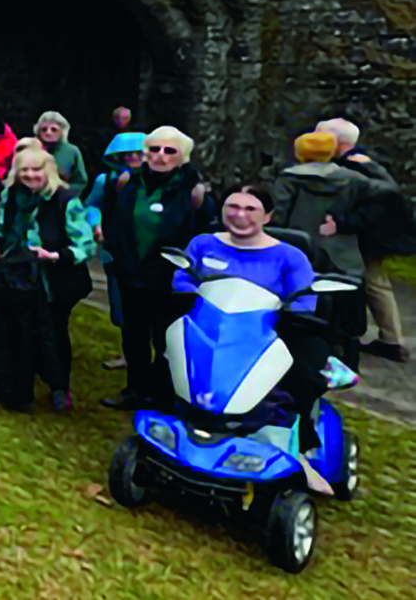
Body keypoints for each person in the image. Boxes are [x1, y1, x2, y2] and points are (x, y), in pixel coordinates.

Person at [173, 185, 341, 494]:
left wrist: (287, 313)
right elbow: (184, 275)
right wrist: (187, 291)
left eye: (250, 209)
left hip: (273, 328)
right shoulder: (203, 243)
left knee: (301, 377)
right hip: (214, 324)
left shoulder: (290, 256)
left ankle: (298, 449)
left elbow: (304, 299)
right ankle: (181, 426)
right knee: (176, 358)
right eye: (232, 206)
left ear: (267, 215)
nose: (239, 215)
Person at [97, 127, 216, 410]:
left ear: (182, 156)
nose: (160, 156)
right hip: (130, 273)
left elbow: (203, 235)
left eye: (169, 151)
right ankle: (135, 390)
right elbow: (113, 219)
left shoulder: (194, 191)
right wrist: (117, 253)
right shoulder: (127, 181)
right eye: (154, 149)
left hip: (169, 280)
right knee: (134, 336)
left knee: (167, 340)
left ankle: (162, 395)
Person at [0, 148, 95, 414]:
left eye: (36, 170)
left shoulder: (66, 200)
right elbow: (1, 226)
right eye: (24, 170)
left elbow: (85, 245)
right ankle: (17, 382)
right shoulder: (12, 195)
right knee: (21, 330)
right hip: (19, 275)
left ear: (47, 171)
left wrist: (55, 255)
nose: (30, 175)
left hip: (57, 277)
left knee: (53, 332)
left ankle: (59, 387)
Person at [316, 118, 411, 363]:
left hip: (367, 235)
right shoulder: (365, 163)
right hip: (370, 232)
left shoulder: (358, 168)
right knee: (374, 283)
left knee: (372, 283)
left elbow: (379, 202)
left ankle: (391, 341)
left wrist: (343, 222)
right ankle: (390, 340)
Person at [272, 132, 371, 367]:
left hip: (301, 246)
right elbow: (370, 211)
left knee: (301, 302)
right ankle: (345, 360)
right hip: (342, 250)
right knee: (344, 306)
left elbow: (278, 215)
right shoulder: (355, 179)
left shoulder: (289, 178)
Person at [84, 132, 146, 371]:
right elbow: (92, 205)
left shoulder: (158, 182)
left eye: (137, 153)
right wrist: (96, 225)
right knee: (120, 303)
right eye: (126, 154)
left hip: (147, 252)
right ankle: (126, 353)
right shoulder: (106, 180)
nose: (132, 158)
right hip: (115, 249)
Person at [33, 111, 88, 190]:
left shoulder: (72, 151)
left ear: (62, 131)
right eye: (44, 129)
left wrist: (66, 190)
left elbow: (80, 182)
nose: (48, 132)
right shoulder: (30, 148)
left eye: (54, 129)